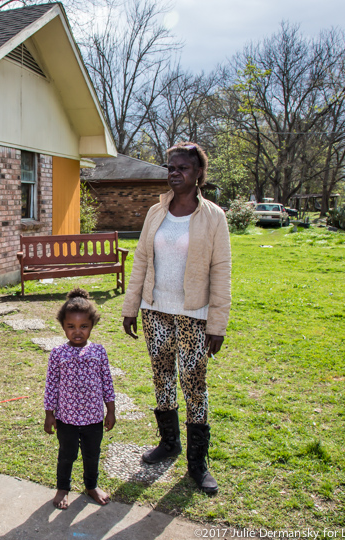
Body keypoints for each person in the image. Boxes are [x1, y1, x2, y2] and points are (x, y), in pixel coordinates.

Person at [121, 141, 231, 495]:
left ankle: (197, 463)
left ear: (199, 173)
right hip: (156, 311)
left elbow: (221, 271)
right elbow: (140, 261)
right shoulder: (156, 213)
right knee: (162, 376)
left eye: (183, 167)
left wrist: (217, 323)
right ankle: (169, 443)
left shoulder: (214, 217)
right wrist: (131, 307)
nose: (175, 173)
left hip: (194, 315)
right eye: (171, 167)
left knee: (194, 383)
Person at [44, 288, 116, 509]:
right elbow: (51, 387)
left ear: (92, 325)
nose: (77, 332)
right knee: (66, 455)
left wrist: (111, 410)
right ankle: (63, 487)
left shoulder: (99, 352)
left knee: (92, 455)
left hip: (94, 418)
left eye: (83, 326)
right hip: (66, 419)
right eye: (71, 327)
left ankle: (91, 486)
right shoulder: (57, 354)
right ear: (63, 326)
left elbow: (107, 383)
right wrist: (49, 415)